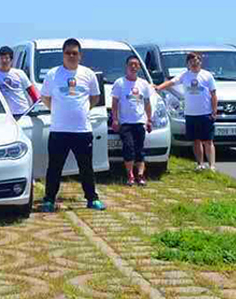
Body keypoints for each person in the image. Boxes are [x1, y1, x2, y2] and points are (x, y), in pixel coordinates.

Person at [40, 38, 105, 212]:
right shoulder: (53, 74)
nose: (71, 56)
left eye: (74, 53)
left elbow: (94, 97)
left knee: (86, 168)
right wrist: (57, 111)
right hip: (59, 130)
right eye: (68, 53)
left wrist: (82, 110)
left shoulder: (88, 74)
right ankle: (49, 200)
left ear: (80, 55)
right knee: (54, 167)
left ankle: (92, 199)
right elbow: (45, 97)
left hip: (82, 130)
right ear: (63, 55)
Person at [155, 52, 217, 171]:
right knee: (196, 141)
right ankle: (200, 164)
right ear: (188, 64)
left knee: (208, 141)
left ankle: (212, 165)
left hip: (205, 113)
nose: (194, 63)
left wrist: (214, 111)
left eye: (197, 61)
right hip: (190, 114)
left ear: (200, 62)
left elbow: (213, 94)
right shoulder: (184, 75)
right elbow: (171, 82)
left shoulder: (207, 75)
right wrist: (158, 88)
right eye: (191, 62)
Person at [111, 55, 153, 186]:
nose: (134, 67)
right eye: (131, 64)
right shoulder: (120, 83)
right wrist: (115, 119)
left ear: (139, 67)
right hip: (125, 123)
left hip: (140, 122)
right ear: (126, 66)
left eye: (136, 64)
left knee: (140, 150)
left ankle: (140, 175)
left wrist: (149, 120)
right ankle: (130, 175)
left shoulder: (143, 84)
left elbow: (147, 103)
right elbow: (114, 103)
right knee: (128, 148)